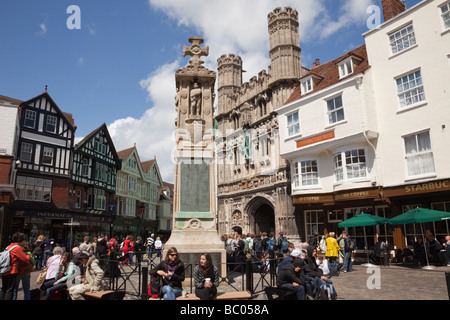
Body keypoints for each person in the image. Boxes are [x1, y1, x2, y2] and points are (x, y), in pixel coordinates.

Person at [0, 232, 31, 300]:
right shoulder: (17, 248)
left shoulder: (8, 246)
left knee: (4, 288)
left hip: (4, 270)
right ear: (21, 240)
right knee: (10, 290)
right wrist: (28, 255)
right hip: (11, 271)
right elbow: (25, 259)